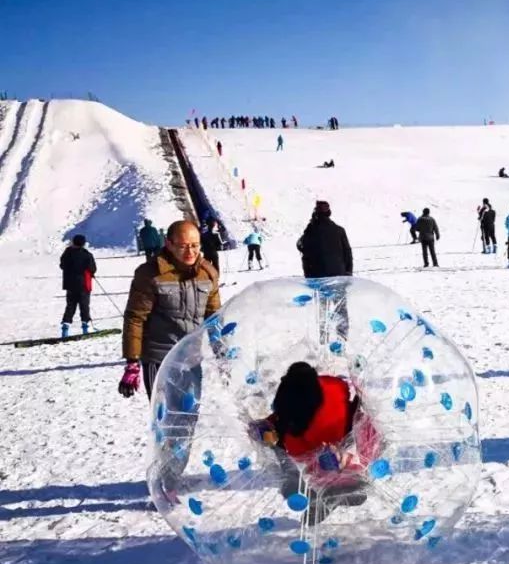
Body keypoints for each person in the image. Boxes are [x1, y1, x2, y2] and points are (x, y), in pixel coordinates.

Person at [248, 361, 377, 522]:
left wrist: (264, 430)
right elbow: (343, 387)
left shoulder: (287, 399)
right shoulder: (329, 384)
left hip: (306, 443)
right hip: (338, 433)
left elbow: (282, 424)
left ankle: (316, 484)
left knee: (278, 440)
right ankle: (346, 481)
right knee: (357, 421)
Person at [119, 220, 221, 399]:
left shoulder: (208, 273)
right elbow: (135, 318)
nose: (190, 252)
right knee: (165, 420)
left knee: (189, 417)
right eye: (183, 246)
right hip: (159, 359)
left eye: (194, 245)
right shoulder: (150, 274)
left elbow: (214, 318)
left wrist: (222, 352)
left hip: (191, 358)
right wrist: (132, 362)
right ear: (169, 244)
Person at [296, 201, 353, 278]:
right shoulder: (339, 230)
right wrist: (348, 273)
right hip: (339, 276)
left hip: (317, 277)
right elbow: (348, 254)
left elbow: (301, 246)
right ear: (329, 213)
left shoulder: (311, 231)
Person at [59, 234, 97, 337]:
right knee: (84, 306)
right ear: (84, 243)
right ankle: (86, 328)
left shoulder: (67, 253)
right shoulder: (86, 254)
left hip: (70, 285)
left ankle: (65, 329)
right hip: (83, 284)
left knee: (70, 306)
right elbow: (93, 269)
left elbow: (62, 265)